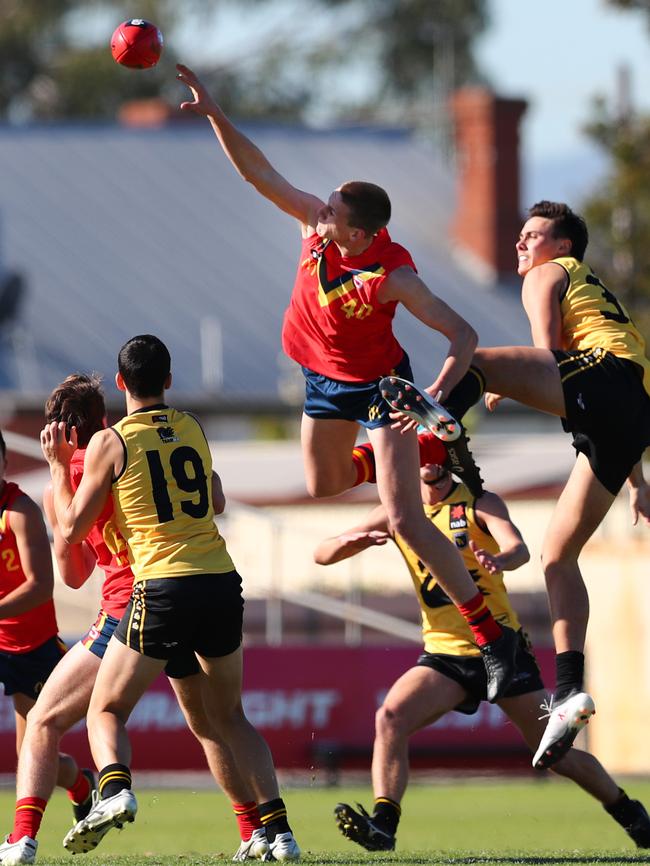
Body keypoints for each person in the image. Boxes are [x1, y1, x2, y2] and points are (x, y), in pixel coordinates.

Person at [174, 63, 518, 702]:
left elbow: (463, 337)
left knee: (407, 521)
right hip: (322, 380)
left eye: (332, 208)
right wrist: (218, 115)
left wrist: (434, 399)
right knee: (322, 483)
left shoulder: (393, 275)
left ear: (359, 232)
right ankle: (397, 457)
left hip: (383, 389)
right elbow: (259, 173)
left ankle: (493, 641)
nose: (318, 206)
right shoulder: (314, 226)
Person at [385, 200, 650, 768]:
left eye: (533, 235)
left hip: (605, 384)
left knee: (473, 361)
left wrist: (508, 379)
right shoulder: (585, 284)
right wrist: (638, 479)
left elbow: (547, 350)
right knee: (557, 556)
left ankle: (439, 419)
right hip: (626, 414)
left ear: (563, 246)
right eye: (521, 236)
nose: (521, 245)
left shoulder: (549, 274)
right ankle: (570, 689)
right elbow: (611, 398)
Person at [0, 374, 280, 865]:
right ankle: (256, 829)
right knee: (213, 723)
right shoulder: (139, 446)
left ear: (56, 433)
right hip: (195, 591)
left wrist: (60, 476)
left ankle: (25, 837)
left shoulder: (66, 482)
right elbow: (213, 499)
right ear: (102, 418)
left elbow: (70, 574)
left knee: (46, 719)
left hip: (132, 605)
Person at [313, 462, 650, 852]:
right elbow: (321, 554)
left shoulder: (476, 501)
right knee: (390, 717)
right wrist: (347, 543)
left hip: (500, 649)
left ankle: (631, 815)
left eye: (434, 450)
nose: (427, 462)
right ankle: (384, 825)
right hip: (446, 653)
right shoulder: (397, 510)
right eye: (418, 453)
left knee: (557, 756)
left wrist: (501, 560)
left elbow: (518, 547)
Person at [0, 430, 93, 866]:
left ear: (4, 466)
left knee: (31, 754)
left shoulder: (18, 511)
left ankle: (80, 786)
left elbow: (40, 587)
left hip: (29, 648)